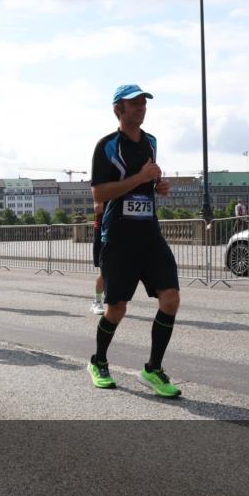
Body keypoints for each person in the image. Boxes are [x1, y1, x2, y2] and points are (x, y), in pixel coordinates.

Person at [89, 84, 180, 395]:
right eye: (135, 104)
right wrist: (140, 178)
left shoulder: (151, 141)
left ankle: (153, 369)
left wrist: (159, 186)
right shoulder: (106, 146)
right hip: (118, 237)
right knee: (117, 308)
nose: (142, 108)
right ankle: (99, 361)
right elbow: (100, 193)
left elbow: (150, 183)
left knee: (171, 298)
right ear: (119, 110)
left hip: (150, 235)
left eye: (144, 103)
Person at [90, 200, 106, 314]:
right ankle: (97, 301)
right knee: (104, 270)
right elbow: (97, 208)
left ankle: (114, 301)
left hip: (121, 230)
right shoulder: (102, 190)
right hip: (103, 230)